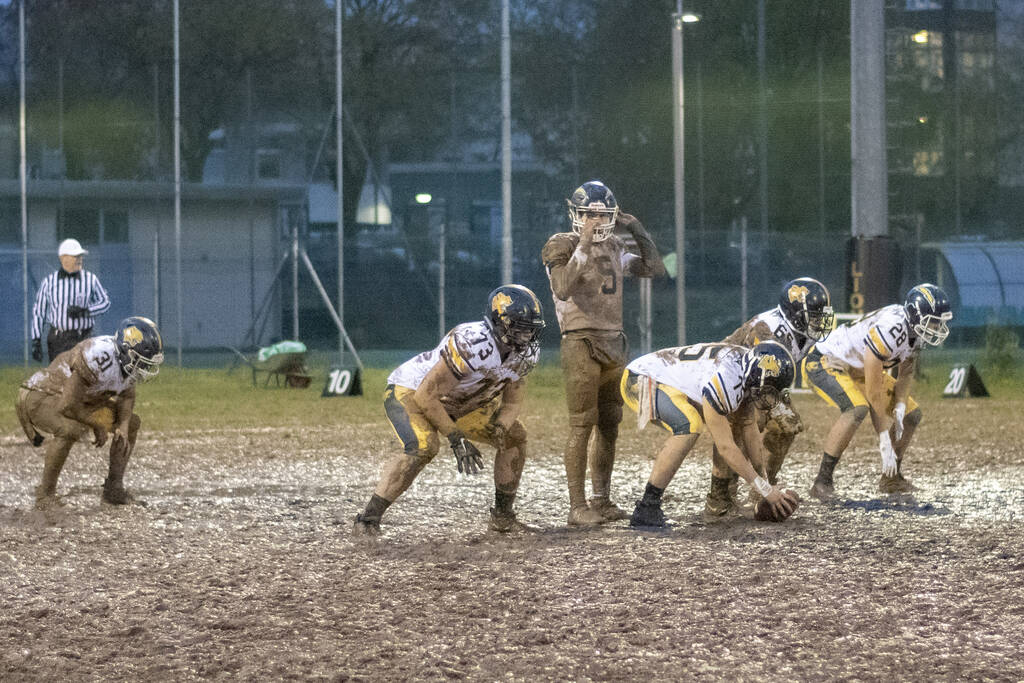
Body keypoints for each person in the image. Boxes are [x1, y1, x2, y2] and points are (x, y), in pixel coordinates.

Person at [353, 285, 545, 536]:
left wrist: (501, 427)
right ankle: (367, 520)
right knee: (424, 447)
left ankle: (503, 518)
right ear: (499, 323)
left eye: (531, 330)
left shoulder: (526, 354)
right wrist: (456, 438)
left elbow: (511, 402)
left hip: (462, 402)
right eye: (519, 329)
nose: (526, 337)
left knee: (514, 435)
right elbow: (426, 396)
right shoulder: (473, 342)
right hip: (412, 392)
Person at [541, 180, 665, 527]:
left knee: (610, 425)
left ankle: (602, 499)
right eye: (589, 214)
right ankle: (577, 506)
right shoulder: (560, 243)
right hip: (580, 341)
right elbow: (563, 288)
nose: (596, 220)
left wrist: (636, 227)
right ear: (576, 214)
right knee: (582, 424)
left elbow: (654, 267)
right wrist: (583, 242)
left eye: (602, 214)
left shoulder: (613, 244)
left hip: (615, 341)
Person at [624, 340, 800, 527]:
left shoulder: (747, 370)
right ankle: (647, 507)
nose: (769, 399)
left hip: (666, 381)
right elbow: (726, 447)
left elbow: (749, 427)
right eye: (768, 391)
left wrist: (764, 483)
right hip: (642, 377)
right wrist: (763, 489)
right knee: (689, 425)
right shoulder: (726, 379)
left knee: (697, 423)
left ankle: (649, 505)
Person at [804, 283, 953, 500]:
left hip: (858, 368)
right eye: (933, 322)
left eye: (939, 323)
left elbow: (906, 372)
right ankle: (822, 481)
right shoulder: (891, 328)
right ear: (915, 315)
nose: (937, 329)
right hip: (828, 360)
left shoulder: (914, 331)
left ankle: (891, 478)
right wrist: (883, 438)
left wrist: (901, 405)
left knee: (912, 415)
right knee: (857, 409)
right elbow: (873, 392)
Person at [704, 277, 834, 520]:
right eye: (814, 315)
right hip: (725, 379)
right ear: (794, 314)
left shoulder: (802, 330)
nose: (819, 321)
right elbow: (755, 376)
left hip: (759, 381)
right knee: (740, 427)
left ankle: (764, 488)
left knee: (787, 425)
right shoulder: (767, 330)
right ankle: (719, 497)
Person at [15, 316, 164, 508]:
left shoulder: (125, 362)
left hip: (82, 400)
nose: (144, 367)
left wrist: (124, 426)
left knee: (131, 423)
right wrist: (97, 423)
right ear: (127, 352)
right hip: (43, 394)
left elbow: (127, 396)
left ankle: (113, 490)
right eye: (141, 361)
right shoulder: (98, 356)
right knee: (69, 429)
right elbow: (67, 405)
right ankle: (45, 496)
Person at [31, 238, 111, 363]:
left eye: (80, 256)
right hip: (59, 340)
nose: (79, 259)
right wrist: (36, 340)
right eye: (75, 256)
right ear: (64, 258)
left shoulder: (90, 279)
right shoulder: (49, 282)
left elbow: (105, 303)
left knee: (86, 379)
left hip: (85, 337)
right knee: (61, 379)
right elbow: (39, 313)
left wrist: (86, 311)